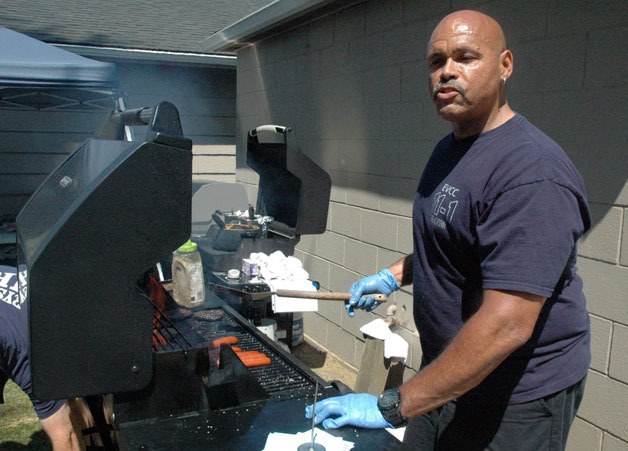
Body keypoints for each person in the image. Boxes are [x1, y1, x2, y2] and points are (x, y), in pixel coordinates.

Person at [306, 9, 591, 450]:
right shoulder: (451, 149)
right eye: (436, 62)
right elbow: (453, 243)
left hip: (515, 398)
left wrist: (390, 405)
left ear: (505, 65)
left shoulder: (532, 173)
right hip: (451, 375)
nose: (446, 72)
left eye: (465, 57)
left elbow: (508, 324)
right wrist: (392, 276)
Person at [0, 264, 88, 450]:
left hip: (28, 339)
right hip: (27, 329)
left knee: (65, 427)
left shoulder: (28, 346)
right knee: (66, 424)